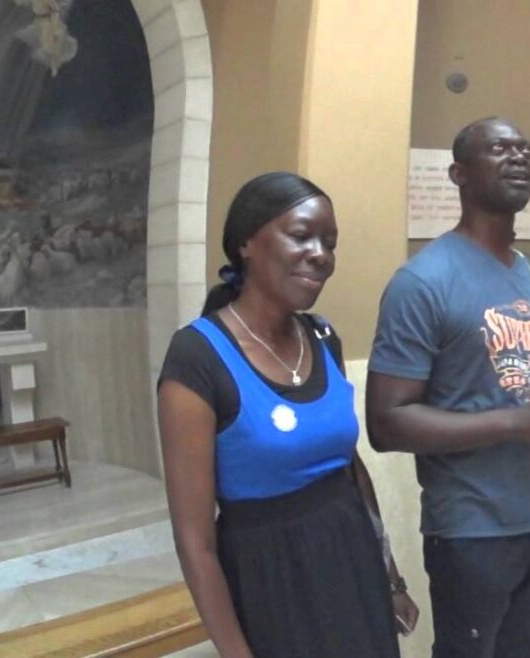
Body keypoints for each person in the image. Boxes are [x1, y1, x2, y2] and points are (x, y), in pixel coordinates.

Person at [364, 117, 530, 658]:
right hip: (475, 527)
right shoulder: (422, 282)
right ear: (458, 174)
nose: (518, 156)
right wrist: (520, 423)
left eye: (524, 148)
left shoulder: (528, 270)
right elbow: (386, 423)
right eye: (499, 148)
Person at [157, 172, 408, 658]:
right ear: (247, 242)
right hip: (271, 580)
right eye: (301, 235)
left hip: (352, 562)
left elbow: (349, 468)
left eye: (330, 243)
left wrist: (391, 576)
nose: (321, 254)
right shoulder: (198, 356)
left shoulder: (322, 337)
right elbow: (195, 541)